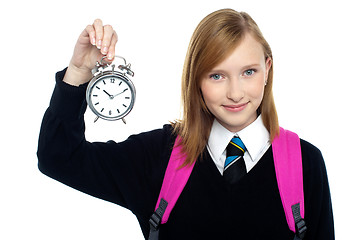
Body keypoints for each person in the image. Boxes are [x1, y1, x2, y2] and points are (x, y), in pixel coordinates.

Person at [37, 8, 334, 239]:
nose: (235, 93)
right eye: (216, 75)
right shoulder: (158, 157)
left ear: (267, 68)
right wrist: (78, 71)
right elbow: (59, 158)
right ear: (196, 80)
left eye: (248, 72)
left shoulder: (305, 163)